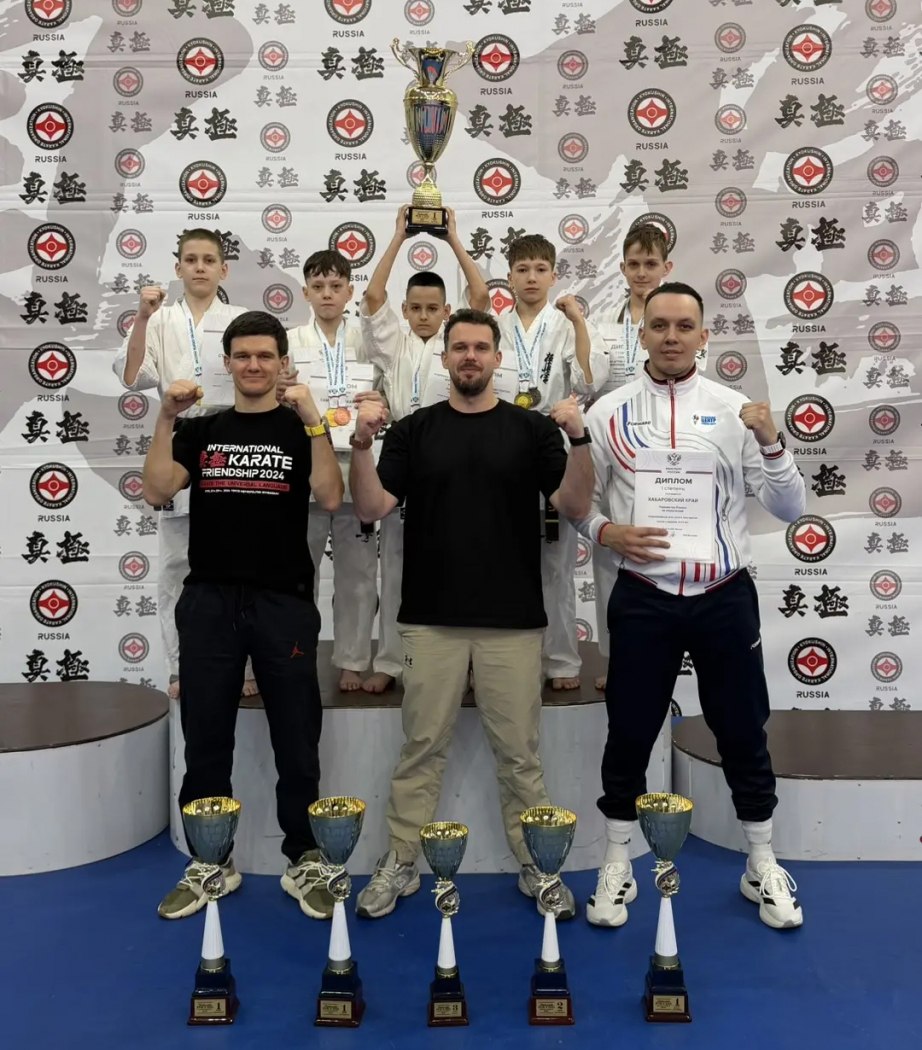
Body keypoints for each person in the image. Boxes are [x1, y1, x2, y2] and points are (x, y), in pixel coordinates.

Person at [348, 308, 595, 920]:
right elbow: (373, 506)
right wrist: (360, 445)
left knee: (520, 756)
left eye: (481, 347)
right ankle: (400, 860)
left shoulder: (532, 431)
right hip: (429, 619)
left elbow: (572, 504)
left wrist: (580, 440)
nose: (470, 357)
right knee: (420, 749)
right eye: (460, 347)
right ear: (445, 358)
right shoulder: (413, 431)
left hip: (512, 621)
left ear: (497, 358)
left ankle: (538, 864)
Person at [581, 282, 805, 931]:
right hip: (644, 595)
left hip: (722, 594)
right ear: (643, 333)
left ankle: (761, 861)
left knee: (742, 729)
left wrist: (772, 442)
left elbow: (789, 508)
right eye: (660, 325)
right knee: (629, 731)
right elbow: (577, 504)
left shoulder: (736, 410)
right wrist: (606, 532)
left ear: (704, 337)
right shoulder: (608, 414)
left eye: (685, 326)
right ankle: (617, 861)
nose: (672, 336)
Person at [142, 310, 344, 922]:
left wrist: (315, 420)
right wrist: (165, 416)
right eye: (243, 356)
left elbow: (331, 496)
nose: (254, 365)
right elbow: (156, 489)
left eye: (265, 356)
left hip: (283, 602)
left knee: (296, 740)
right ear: (227, 363)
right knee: (205, 738)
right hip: (210, 600)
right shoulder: (203, 429)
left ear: (283, 363)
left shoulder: (299, 429)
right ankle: (211, 861)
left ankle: (304, 857)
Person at [112, 228, 257, 701]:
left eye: (208, 260)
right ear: (177, 268)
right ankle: (180, 667)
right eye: (191, 259)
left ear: (223, 270)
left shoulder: (239, 319)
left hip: (233, 439)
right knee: (177, 564)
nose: (199, 267)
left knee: (241, 557)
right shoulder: (158, 319)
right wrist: (141, 316)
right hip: (180, 437)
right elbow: (132, 376)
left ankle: (247, 664)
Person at [359, 205, 489, 693]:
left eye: (433, 309)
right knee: (394, 564)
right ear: (405, 309)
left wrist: (453, 238)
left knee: (461, 558)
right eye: (415, 308)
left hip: (453, 453)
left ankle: (469, 663)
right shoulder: (393, 342)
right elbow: (373, 296)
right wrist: (398, 235)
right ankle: (392, 661)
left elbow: (480, 296)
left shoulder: (456, 345)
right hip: (402, 450)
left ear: (447, 312)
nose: (423, 316)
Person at [496, 234, 608, 691]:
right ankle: (507, 658)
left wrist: (578, 321)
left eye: (540, 269)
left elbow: (588, 379)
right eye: (522, 270)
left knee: (556, 561)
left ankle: (561, 658)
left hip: (549, 444)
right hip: (501, 445)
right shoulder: (495, 325)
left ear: (553, 275)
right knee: (501, 557)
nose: (531, 278)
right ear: (509, 276)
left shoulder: (565, 324)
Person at [283, 250, 396, 692]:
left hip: (359, 463)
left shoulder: (369, 341)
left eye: (335, 287)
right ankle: (294, 653)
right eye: (318, 287)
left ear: (350, 291)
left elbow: (390, 394)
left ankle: (352, 659)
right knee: (298, 570)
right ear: (305, 292)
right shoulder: (290, 341)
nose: (327, 294)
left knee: (358, 572)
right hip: (307, 464)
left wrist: (381, 402)